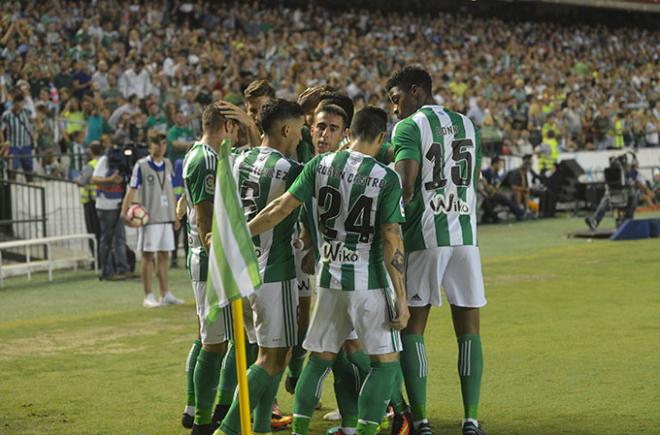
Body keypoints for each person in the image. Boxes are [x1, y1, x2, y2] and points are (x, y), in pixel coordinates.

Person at [246, 106, 409, 435]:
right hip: (369, 282)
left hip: (328, 280)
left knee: (318, 359)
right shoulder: (386, 177)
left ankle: (300, 430)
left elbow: (281, 208)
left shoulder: (318, 165)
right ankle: (364, 430)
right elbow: (392, 238)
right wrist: (402, 298)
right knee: (385, 363)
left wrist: (240, 232)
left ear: (348, 133)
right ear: (380, 137)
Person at [386, 66, 487, 435]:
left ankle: (423, 420)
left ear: (417, 91)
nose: (395, 109)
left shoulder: (409, 127)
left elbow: (405, 184)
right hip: (466, 237)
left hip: (425, 237)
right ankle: (471, 419)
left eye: (397, 99)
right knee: (469, 330)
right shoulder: (468, 124)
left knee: (413, 328)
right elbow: (472, 180)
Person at [216, 99, 305, 435]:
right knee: (273, 358)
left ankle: (263, 425)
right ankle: (228, 428)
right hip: (274, 270)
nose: (301, 137)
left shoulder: (237, 159)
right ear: (286, 129)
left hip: (240, 268)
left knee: (262, 356)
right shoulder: (291, 169)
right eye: (299, 130)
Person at [181, 102, 242, 435]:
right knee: (215, 343)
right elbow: (204, 215)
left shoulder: (197, 153)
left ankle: (195, 409)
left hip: (202, 258)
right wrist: (218, 257)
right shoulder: (206, 159)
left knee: (209, 338)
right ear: (227, 126)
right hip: (209, 261)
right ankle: (204, 423)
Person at [121, 133, 184, 308]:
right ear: (150, 146)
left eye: (163, 143)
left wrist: (175, 214)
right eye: (156, 144)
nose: (160, 147)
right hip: (150, 218)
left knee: (164, 255)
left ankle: (165, 293)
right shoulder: (141, 166)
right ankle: (148, 295)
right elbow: (132, 190)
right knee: (148, 256)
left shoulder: (168, 164)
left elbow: (171, 190)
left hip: (166, 217)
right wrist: (124, 211)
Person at [91, 139, 131, 280]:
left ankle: (123, 269)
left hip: (118, 203)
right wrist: (110, 180)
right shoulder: (104, 160)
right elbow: (94, 179)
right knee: (107, 239)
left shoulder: (125, 162)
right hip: (105, 205)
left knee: (120, 238)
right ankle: (107, 270)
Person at [76, 141, 103, 259]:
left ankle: (97, 259)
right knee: (103, 232)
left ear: (91, 152)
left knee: (93, 232)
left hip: (91, 203)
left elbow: (81, 181)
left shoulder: (91, 165)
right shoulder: (105, 163)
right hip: (104, 201)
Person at [479, 156, 525, 223]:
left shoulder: (496, 174)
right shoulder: (487, 171)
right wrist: (485, 185)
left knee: (503, 197)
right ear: (495, 164)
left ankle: (519, 213)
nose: (500, 166)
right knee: (504, 199)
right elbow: (478, 175)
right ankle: (520, 213)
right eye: (499, 164)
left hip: (492, 195)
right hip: (485, 195)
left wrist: (496, 189)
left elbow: (496, 186)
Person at [1, 92, 34, 181]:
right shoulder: (6, 115)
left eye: (22, 103)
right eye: (18, 103)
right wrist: (4, 142)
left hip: (26, 144)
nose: (20, 105)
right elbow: (1, 129)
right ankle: (11, 187)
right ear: (14, 103)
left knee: (28, 168)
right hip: (13, 145)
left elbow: (32, 123)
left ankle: (30, 185)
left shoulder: (27, 112)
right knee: (13, 168)